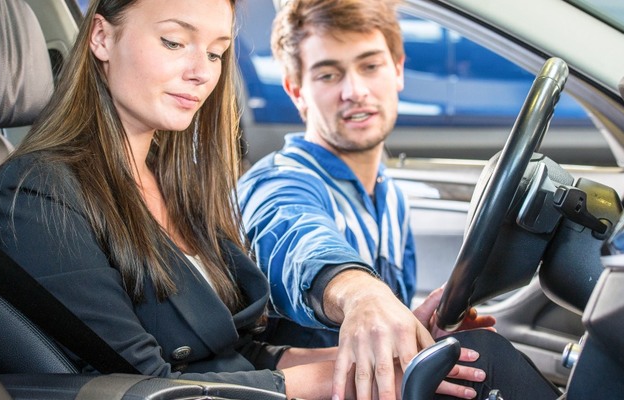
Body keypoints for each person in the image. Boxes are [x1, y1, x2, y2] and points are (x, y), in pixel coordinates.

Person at [0, 0, 485, 398]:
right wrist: (359, 303)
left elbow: (237, 353)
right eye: (175, 41)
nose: (202, 71)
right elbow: (142, 388)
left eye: (217, 52)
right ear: (102, 37)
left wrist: (394, 348)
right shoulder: (37, 193)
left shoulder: (179, 185)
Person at [237, 0, 561, 399]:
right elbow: (295, 238)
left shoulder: (390, 197)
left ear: (398, 70)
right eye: (328, 74)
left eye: (370, 66)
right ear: (296, 91)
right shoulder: (278, 182)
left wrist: (414, 331)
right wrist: (361, 295)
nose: (354, 91)